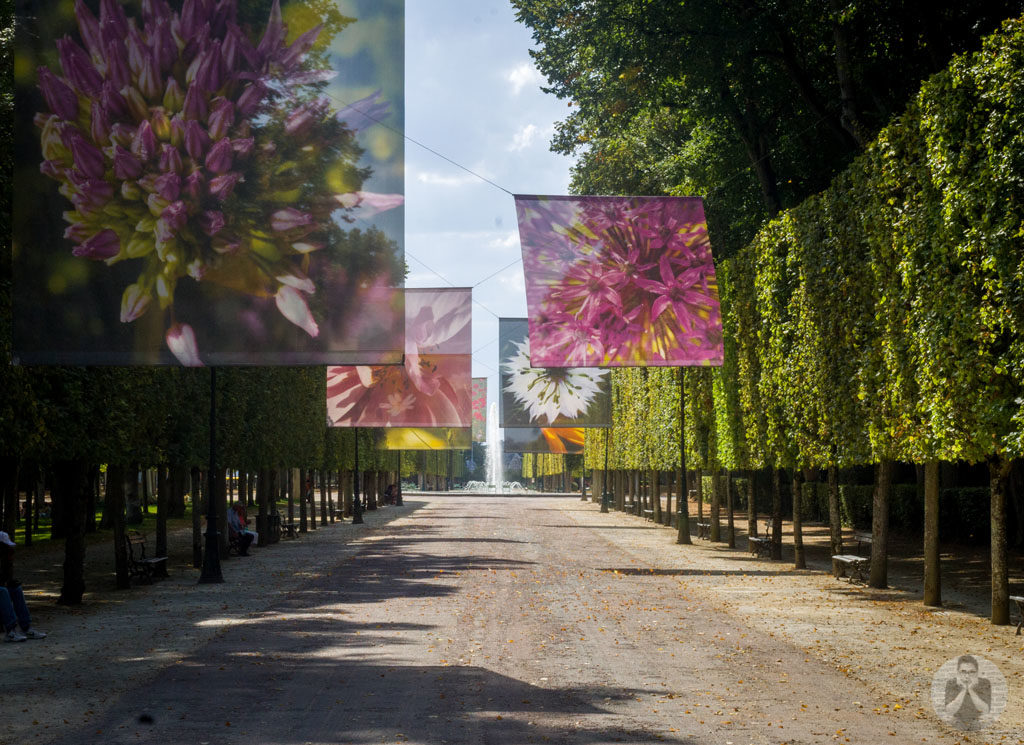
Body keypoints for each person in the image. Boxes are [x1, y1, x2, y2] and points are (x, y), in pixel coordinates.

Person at [0, 531, 46, 642]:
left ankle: (26, 628)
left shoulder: (5, 560)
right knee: (2, 591)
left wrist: (9, 581)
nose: (8, 549)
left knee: (16, 589)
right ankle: (10, 631)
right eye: (5, 546)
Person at [943, 654, 991, 728]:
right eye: (963, 672)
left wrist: (971, 690)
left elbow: (985, 710)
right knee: (947, 719)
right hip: (956, 719)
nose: (967, 676)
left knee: (986, 719)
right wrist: (964, 690)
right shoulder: (952, 683)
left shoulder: (984, 683)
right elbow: (949, 711)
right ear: (958, 673)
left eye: (972, 672)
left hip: (977, 720)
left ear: (977, 673)